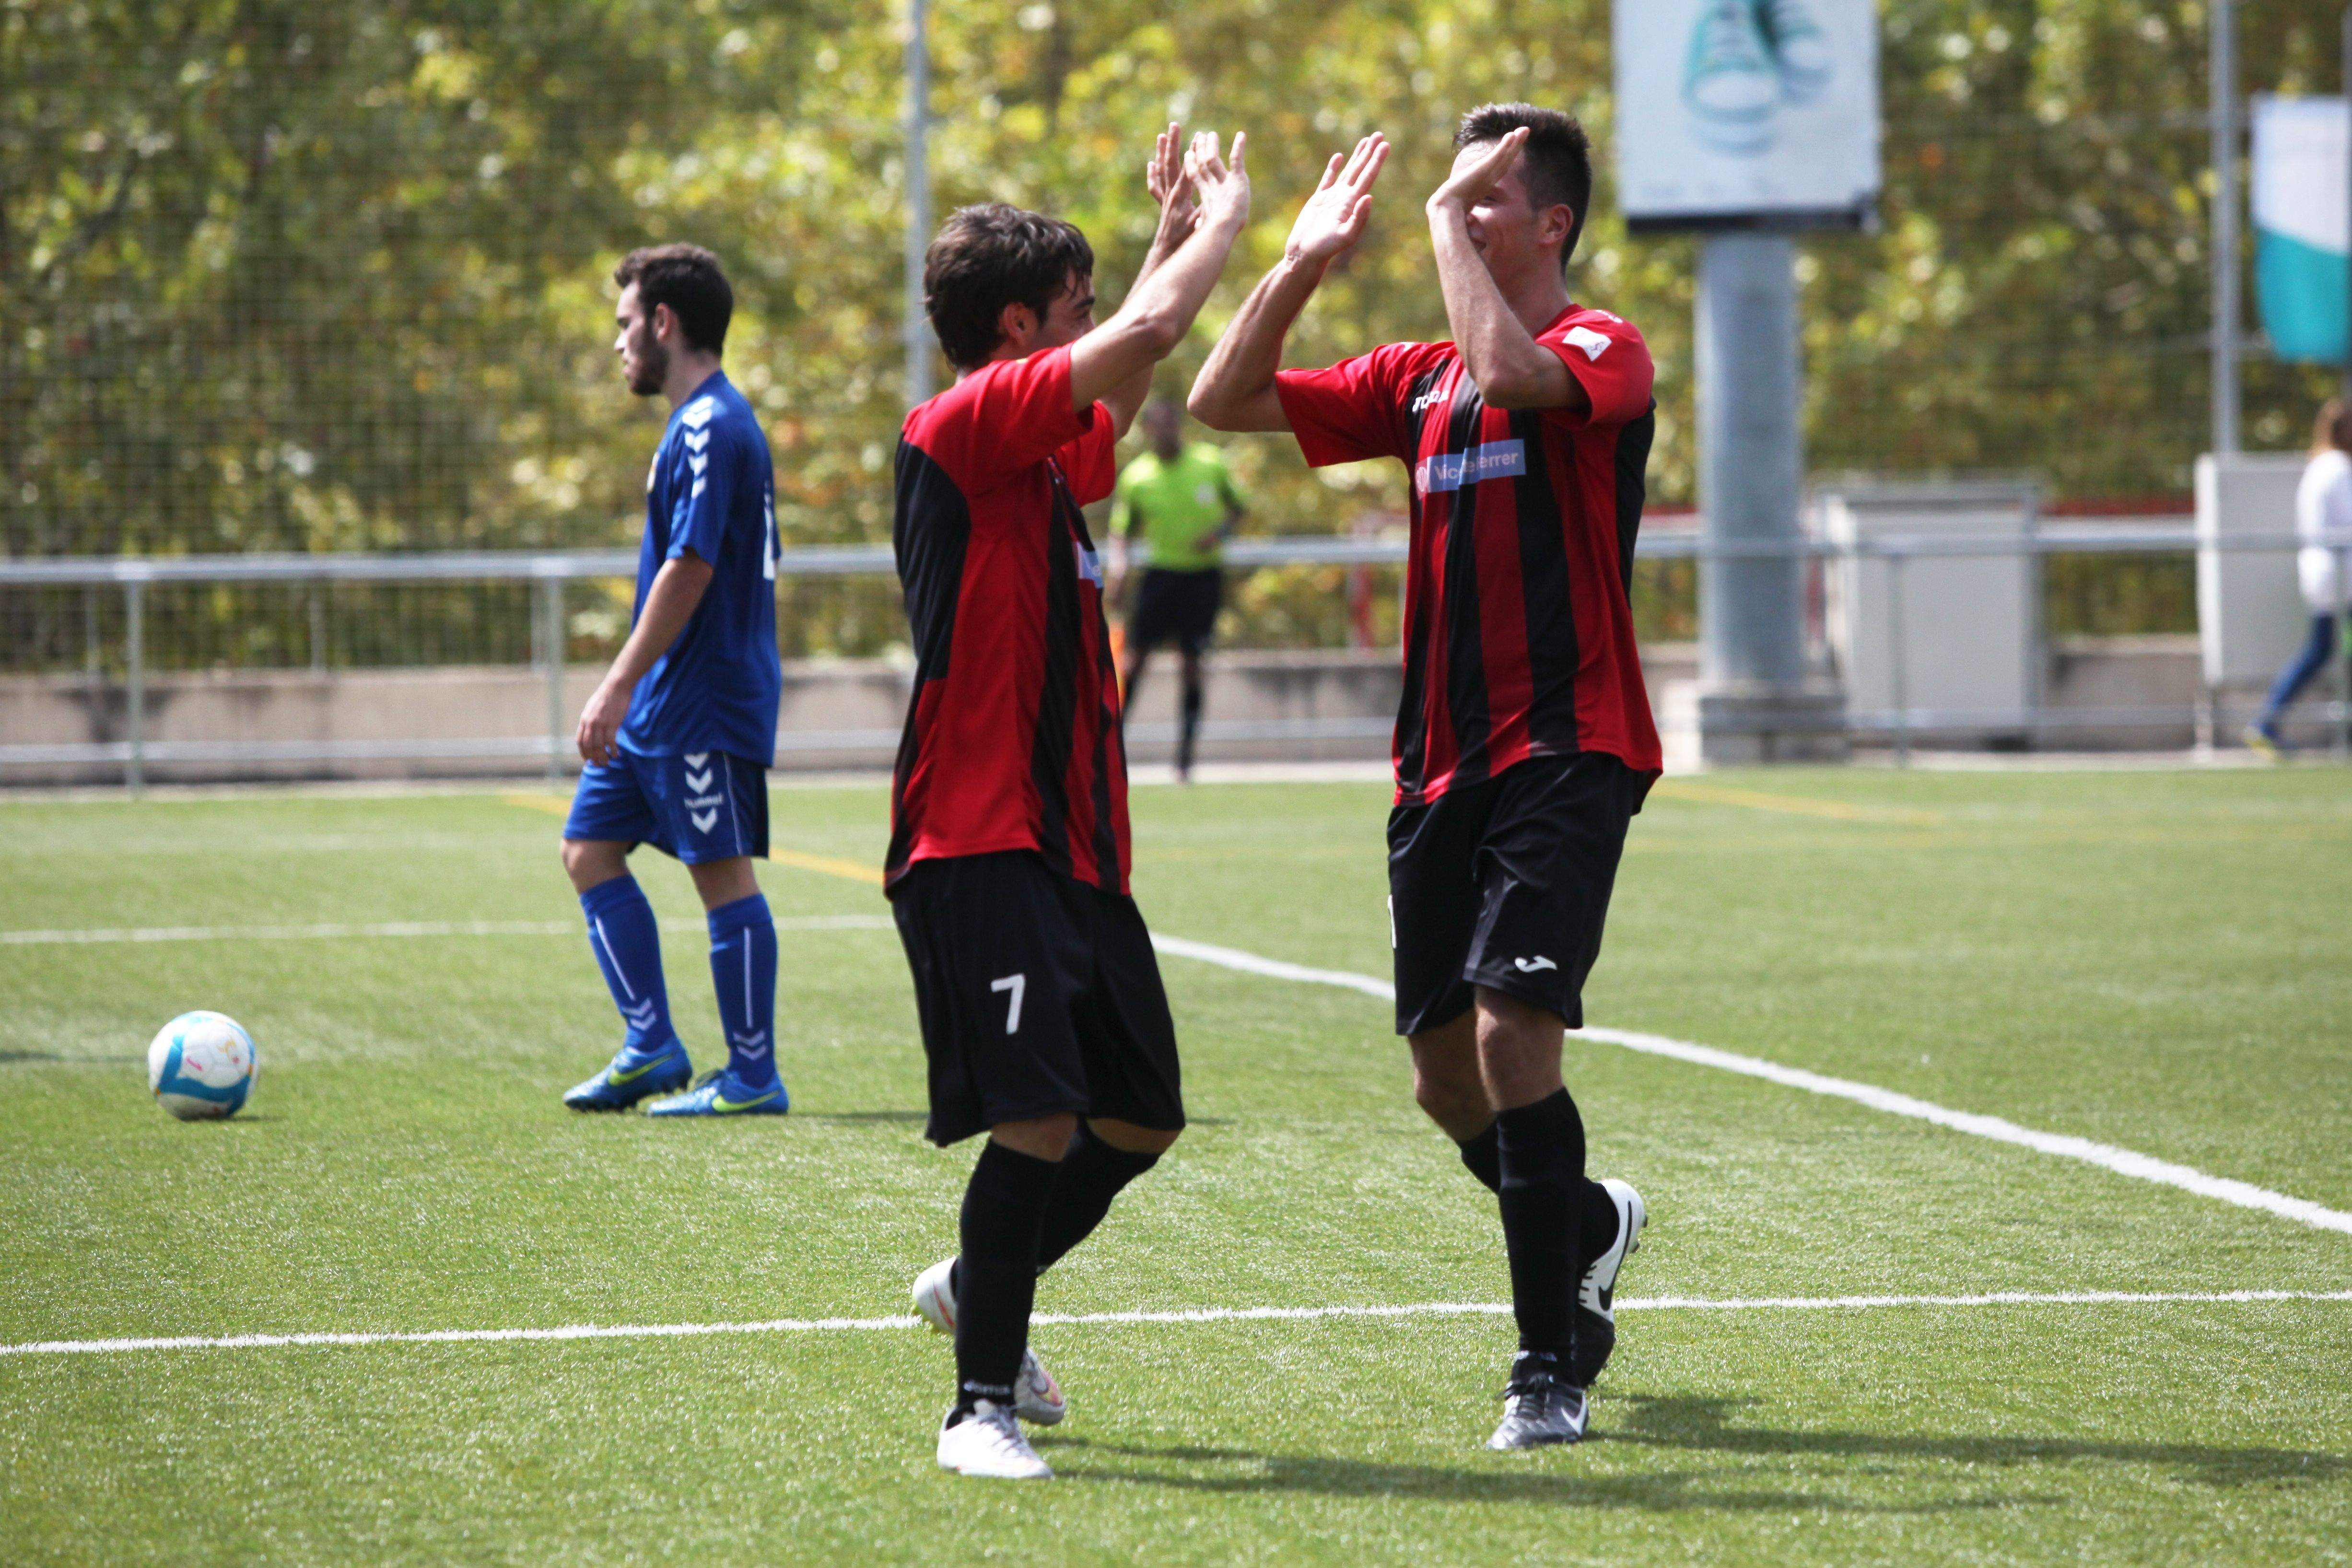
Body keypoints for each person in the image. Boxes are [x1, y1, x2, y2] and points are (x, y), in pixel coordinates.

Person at [1190, 106, 1656, 1450]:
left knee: (1513, 1040)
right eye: (1455, 194)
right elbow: (1222, 399)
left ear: (1550, 223)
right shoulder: (1414, 378)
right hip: (1438, 765)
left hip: (1568, 745)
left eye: (1484, 195)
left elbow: (1511, 373)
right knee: (1446, 1081)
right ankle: (1588, 1224)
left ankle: (1545, 1367)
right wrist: (1300, 259)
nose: (1452, 209)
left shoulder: (1600, 347)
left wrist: (1444, 215)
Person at [888, 126, 1251, 1480]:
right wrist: (1227, 227)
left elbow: (1133, 354)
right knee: (1037, 1117)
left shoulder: (1043, 454)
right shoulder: (968, 422)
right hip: (980, 835)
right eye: (1073, 308)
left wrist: (1168, 242)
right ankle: (977, 1407)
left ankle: (979, 1281)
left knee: (1138, 1115)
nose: (1097, 325)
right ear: (1017, 328)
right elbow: (1151, 331)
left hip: (1076, 848)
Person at [557, 245, 788, 1118]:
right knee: (588, 849)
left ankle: (753, 1076)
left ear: (664, 323)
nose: (617, 343)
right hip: (663, 699)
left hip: (703, 698)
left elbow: (690, 566)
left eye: (625, 324)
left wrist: (615, 682)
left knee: (720, 875)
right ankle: (651, 1044)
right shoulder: (694, 424)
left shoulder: (712, 426)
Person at [1109, 400, 1247, 779]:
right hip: (1160, 576)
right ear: (1148, 431)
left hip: (1202, 577)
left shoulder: (1209, 463)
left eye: (1170, 424)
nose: (1165, 432)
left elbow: (1238, 509)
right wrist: (1119, 573)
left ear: (1179, 426)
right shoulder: (1138, 477)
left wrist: (1218, 534)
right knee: (1135, 660)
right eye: (1158, 426)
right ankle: (1112, 748)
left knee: (1192, 663)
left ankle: (1185, 756)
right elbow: (1123, 532)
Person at [2247, 399, 2352, 757]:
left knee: (2321, 650)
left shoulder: (2320, 466)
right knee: (2321, 650)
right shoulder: (2337, 468)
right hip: (2338, 575)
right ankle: (2267, 722)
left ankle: (2267, 722)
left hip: (2326, 573)